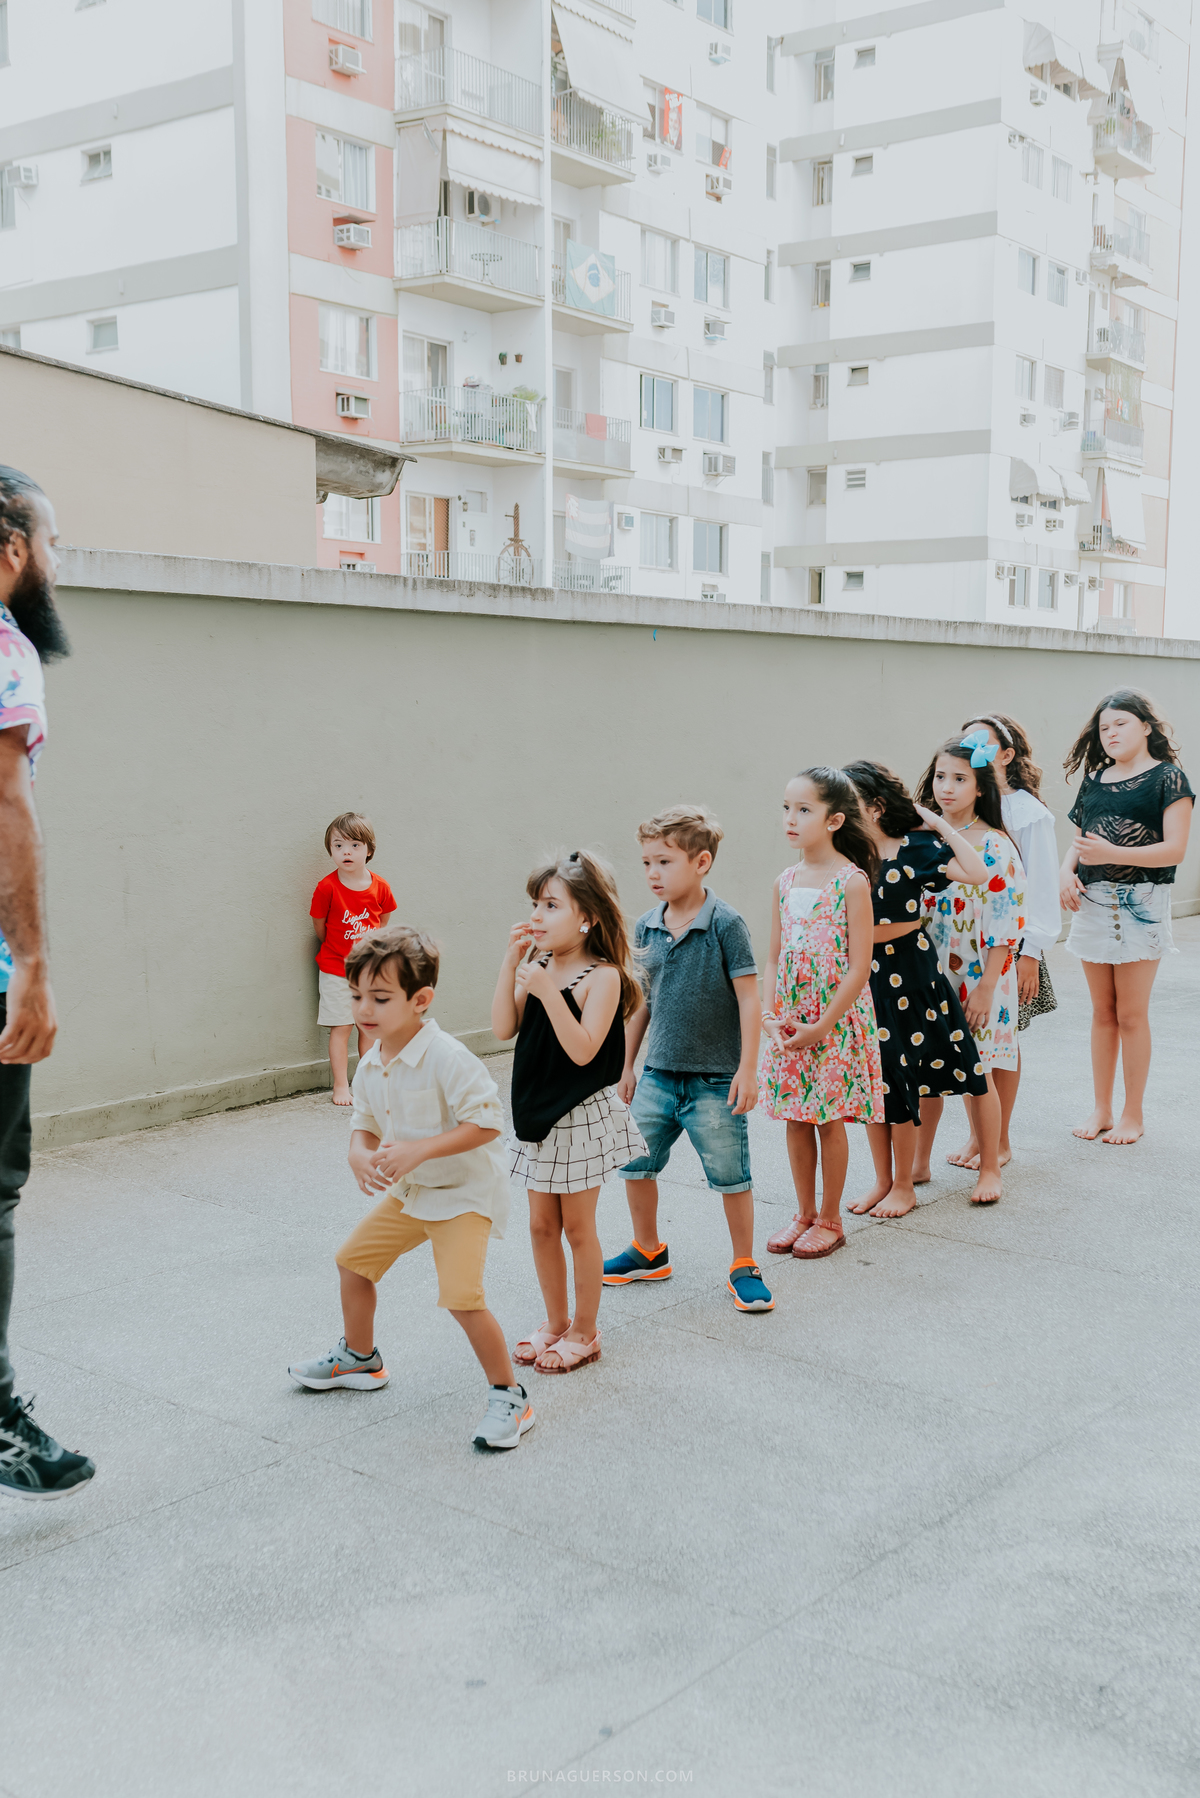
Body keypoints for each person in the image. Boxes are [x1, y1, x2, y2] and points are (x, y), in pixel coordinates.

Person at [289, 925, 534, 1452]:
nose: (364, 1009)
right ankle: (360, 1358)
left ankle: (511, 1395)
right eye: (356, 996)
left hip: (464, 1196)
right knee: (352, 1263)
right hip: (414, 1193)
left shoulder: (447, 1056)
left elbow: (489, 1123)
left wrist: (417, 1151)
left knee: (463, 1298)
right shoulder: (373, 1060)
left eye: (380, 998)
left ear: (420, 1000)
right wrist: (358, 1152)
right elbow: (365, 1120)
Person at [0, 466, 95, 1500]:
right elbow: (6, 802)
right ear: (14, 550)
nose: (60, 564)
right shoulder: (4, 645)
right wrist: (30, 966)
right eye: (54, 542)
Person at [602, 806, 775, 1314]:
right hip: (657, 1075)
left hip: (714, 1080)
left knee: (731, 1174)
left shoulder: (726, 923)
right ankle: (648, 1250)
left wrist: (747, 1069)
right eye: (647, 863)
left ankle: (744, 1262)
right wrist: (626, 1064)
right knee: (635, 1163)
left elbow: (749, 998)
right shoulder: (647, 928)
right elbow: (642, 1003)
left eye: (665, 862)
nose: (653, 874)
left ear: (701, 862)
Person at [493, 851, 645, 1373]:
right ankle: (555, 1321)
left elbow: (583, 1049)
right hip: (538, 1114)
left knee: (578, 1228)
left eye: (551, 904)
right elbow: (502, 1028)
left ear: (587, 918)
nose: (537, 915)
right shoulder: (536, 967)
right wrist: (512, 968)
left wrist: (546, 991)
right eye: (535, 903)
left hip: (579, 1115)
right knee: (540, 1225)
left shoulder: (602, 977)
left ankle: (586, 1330)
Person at [841, 760, 990, 1220]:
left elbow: (977, 871)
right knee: (874, 1082)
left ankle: (904, 1184)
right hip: (861, 977)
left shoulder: (917, 847)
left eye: (850, 802)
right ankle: (883, 1180)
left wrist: (937, 822)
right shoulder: (848, 853)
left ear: (876, 805)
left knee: (905, 1079)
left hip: (910, 976)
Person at [1059, 688, 1193, 1146]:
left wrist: (1113, 851)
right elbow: (1078, 844)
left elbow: (1174, 849)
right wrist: (1064, 874)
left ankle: (1132, 1114)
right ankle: (1102, 1109)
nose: (1111, 733)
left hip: (1142, 902)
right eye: (1104, 727)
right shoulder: (1095, 778)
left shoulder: (1169, 778)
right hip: (1093, 900)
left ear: (1147, 727)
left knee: (1132, 1015)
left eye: (1120, 724)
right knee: (1102, 1012)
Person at [760, 767, 884, 1258]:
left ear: (834, 820)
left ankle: (830, 1219)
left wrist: (824, 1024)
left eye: (804, 809)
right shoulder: (784, 882)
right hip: (792, 1019)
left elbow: (860, 965)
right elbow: (772, 955)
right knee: (795, 1116)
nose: (791, 818)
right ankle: (803, 1213)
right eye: (787, 808)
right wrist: (770, 1014)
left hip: (832, 1021)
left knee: (828, 1118)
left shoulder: (851, 882)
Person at [916, 737, 1025, 1206]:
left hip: (981, 977)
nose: (947, 787)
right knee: (924, 1069)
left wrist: (984, 988)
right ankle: (918, 1162)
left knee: (977, 1072)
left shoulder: (995, 846)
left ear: (981, 787)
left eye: (960, 779)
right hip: (927, 972)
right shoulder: (920, 839)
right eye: (941, 776)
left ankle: (989, 1166)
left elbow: (1005, 924)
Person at [959, 714, 1060, 1167]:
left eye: (984, 743)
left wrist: (1030, 954)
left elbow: (1038, 885)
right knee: (970, 1039)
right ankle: (979, 1137)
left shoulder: (1027, 812)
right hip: (965, 944)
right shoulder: (964, 807)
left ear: (1007, 755)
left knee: (1003, 1041)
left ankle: (998, 1140)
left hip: (1011, 945)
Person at [310, 813, 395, 1105]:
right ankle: (341, 1086)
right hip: (335, 970)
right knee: (341, 1028)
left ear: (368, 850)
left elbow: (383, 919)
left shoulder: (379, 886)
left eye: (355, 845)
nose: (346, 851)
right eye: (338, 845)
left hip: (367, 971)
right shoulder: (326, 888)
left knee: (368, 1027)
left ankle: (366, 1082)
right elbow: (320, 926)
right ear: (331, 850)